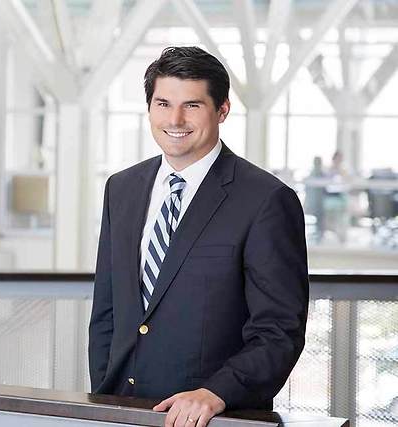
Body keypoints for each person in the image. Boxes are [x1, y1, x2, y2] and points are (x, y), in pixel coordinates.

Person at [88, 46, 309, 427]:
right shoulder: (121, 188)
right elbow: (107, 311)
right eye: (163, 104)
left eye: (192, 105)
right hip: (121, 410)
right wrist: (103, 392)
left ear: (222, 110)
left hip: (212, 417)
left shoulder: (266, 200)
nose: (175, 119)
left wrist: (216, 393)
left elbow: (279, 331)